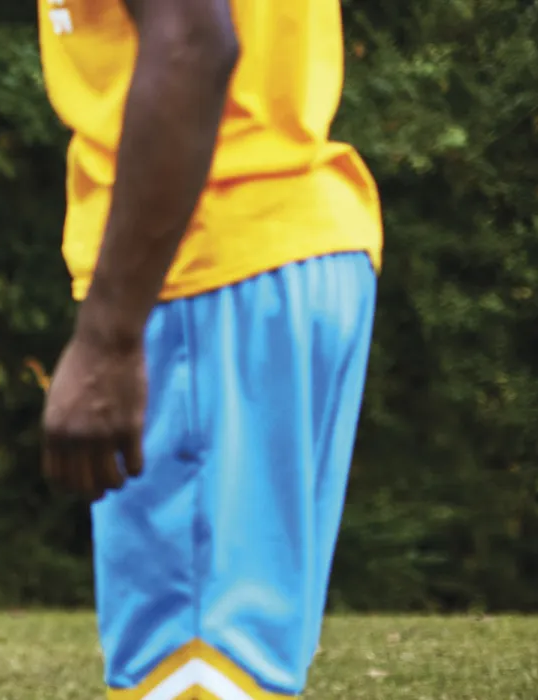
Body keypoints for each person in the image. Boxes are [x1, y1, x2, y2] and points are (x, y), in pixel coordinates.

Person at [35, 1, 381, 698]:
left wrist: (107, 338)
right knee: (238, 671)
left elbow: (193, 41)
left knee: (193, 670)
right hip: (275, 242)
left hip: (209, 260)